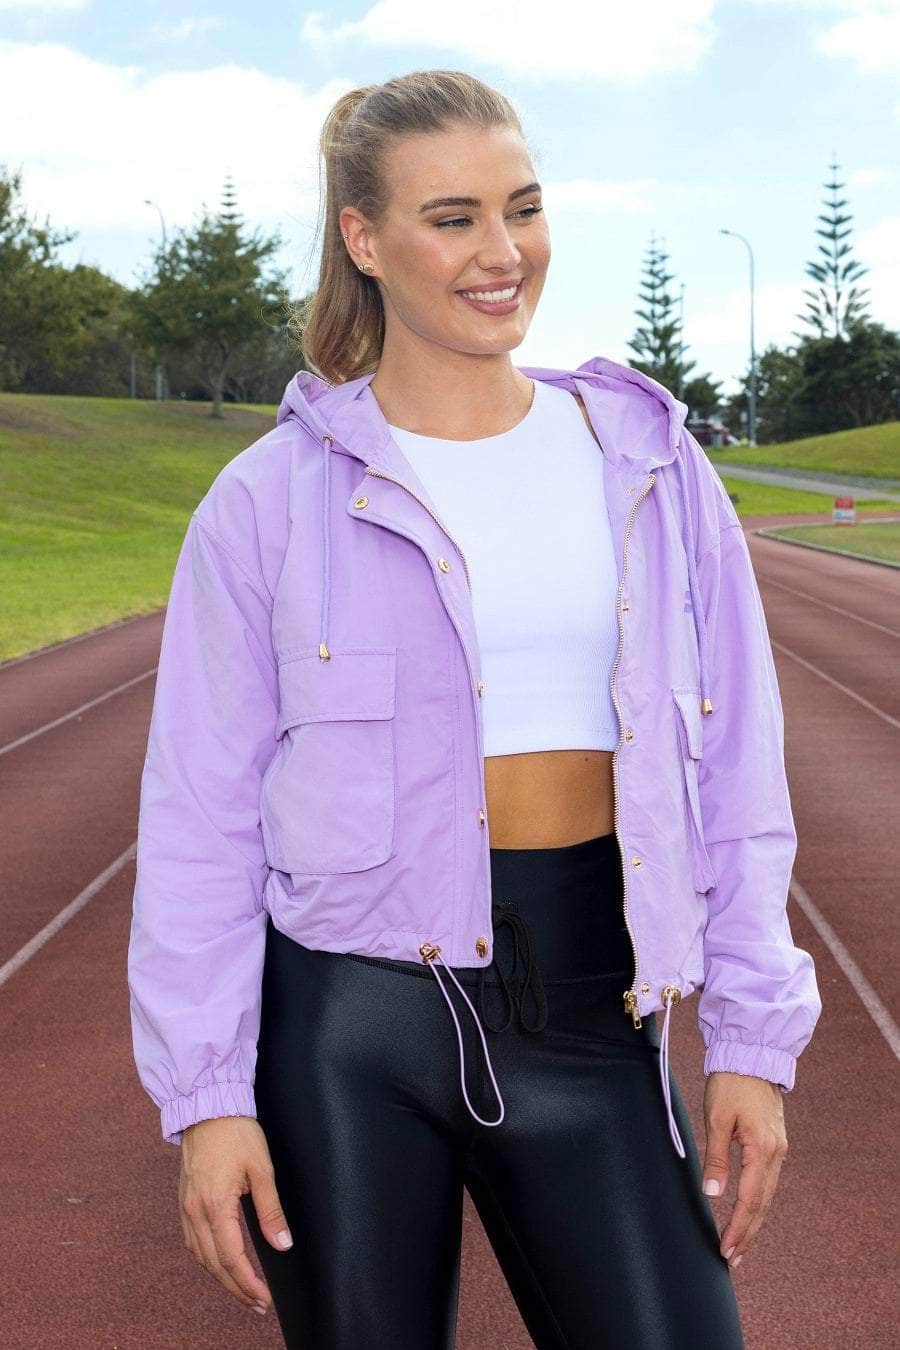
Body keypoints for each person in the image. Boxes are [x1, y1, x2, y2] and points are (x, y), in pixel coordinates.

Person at [127, 70, 823, 1349]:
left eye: (524, 208)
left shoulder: (653, 467)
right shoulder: (267, 501)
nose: (503, 252)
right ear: (364, 239)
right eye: (453, 219)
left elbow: (738, 768)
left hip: (593, 1003)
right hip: (349, 1030)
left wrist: (750, 1039)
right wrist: (209, 1097)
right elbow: (200, 819)